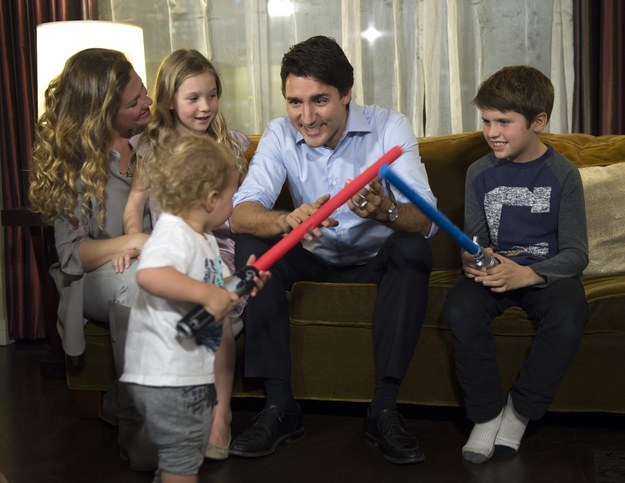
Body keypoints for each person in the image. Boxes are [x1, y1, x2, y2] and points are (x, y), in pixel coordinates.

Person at [229, 35, 438, 465]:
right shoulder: (278, 133)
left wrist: (386, 211)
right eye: (295, 102)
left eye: (319, 100)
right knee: (252, 243)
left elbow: (427, 220)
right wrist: (287, 221)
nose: (306, 117)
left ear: (347, 93)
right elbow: (241, 213)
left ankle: (383, 410)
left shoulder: (389, 126)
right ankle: (279, 407)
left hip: (376, 261)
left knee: (412, 248)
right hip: (313, 256)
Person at [443, 65, 589, 464]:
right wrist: (472, 259)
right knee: (459, 307)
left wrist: (528, 273)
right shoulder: (479, 173)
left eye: (504, 122)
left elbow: (577, 253)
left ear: (538, 122)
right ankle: (487, 414)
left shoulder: (563, 175)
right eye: (487, 120)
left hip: (546, 272)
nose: (492, 132)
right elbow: (475, 241)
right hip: (496, 269)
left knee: (570, 313)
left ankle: (519, 412)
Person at [28, 48, 157, 470]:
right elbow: (72, 254)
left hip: (153, 261)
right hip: (92, 277)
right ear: (103, 112)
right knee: (135, 282)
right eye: (134, 102)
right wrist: (132, 242)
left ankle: (121, 401)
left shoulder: (154, 137)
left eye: (144, 91)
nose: (148, 103)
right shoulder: (73, 157)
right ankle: (140, 432)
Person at [122, 48, 250, 460]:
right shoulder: (151, 148)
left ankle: (221, 414)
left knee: (220, 311)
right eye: (193, 97)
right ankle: (155, 415)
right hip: (170, 249)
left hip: (216, 250)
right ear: (169, 99)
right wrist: (133, 239)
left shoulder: (228, 146)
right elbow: (134, 204)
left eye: (211, 96)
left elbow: (239, 208)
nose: (205, 107)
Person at [120, 135, 270, 483]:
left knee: (182, 455)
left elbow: (213, 291)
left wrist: (239, 285)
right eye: (232, 195)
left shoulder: (202, 238)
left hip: (188, 372)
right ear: (210, 199)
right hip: (166, 376)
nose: (235, 202)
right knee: (183, 461)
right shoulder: (173, 232)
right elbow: (150, 274)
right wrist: (206, 293)